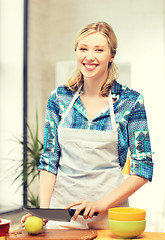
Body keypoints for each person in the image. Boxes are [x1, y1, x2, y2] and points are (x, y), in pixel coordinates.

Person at [21, 21, 153, 229]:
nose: (89, 57)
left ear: (112, 56)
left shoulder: (130, 101)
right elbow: (49, 160)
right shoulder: (59, 98)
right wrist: (44, 212)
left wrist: (101, 205)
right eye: (83, 49)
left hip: (110, 217)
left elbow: (143, 168)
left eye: (99, 50)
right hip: (62, 216)